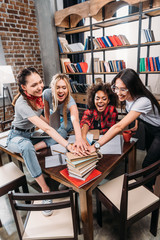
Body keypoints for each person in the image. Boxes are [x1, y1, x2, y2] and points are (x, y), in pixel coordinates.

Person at [6, 67, 77, 216]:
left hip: (32, 134)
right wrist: (68, 146)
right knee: (26, 146)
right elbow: (47, 128)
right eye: (34, 85)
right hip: (16, 136)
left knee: (58, 134)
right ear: (24, 87)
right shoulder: (22, 104)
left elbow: (46, 122)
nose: (39, 87)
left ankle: (33, 148)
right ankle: (45, 189)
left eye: (40, 82)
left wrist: (57, 131)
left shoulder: (39, 96)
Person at [89, 68, 160, 189]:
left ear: (133, 87)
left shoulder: (143, 100)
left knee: (147, 164)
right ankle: (153, 182)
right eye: (116, 88)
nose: (118, 92)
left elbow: (119, 126)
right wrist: (137, 124)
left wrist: (96, 145)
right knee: (152, 160)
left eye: (123, 89)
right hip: (149, 128)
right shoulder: (128, 98)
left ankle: (150, 193)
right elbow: (137, 113)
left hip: (158, 131)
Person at [42, 73, 88, 152]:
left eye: (64, 87)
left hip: (68, 118)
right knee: (52, 131)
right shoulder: (46, 94)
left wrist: (79, 139)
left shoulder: (71, 101)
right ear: (53, 88)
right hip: (55, 115)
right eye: (58, 87)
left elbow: (75, 119)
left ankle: (37, 147)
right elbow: (47, 114)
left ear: (68, 89)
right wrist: (49, 130)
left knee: (61, 132)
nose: (61, 91)